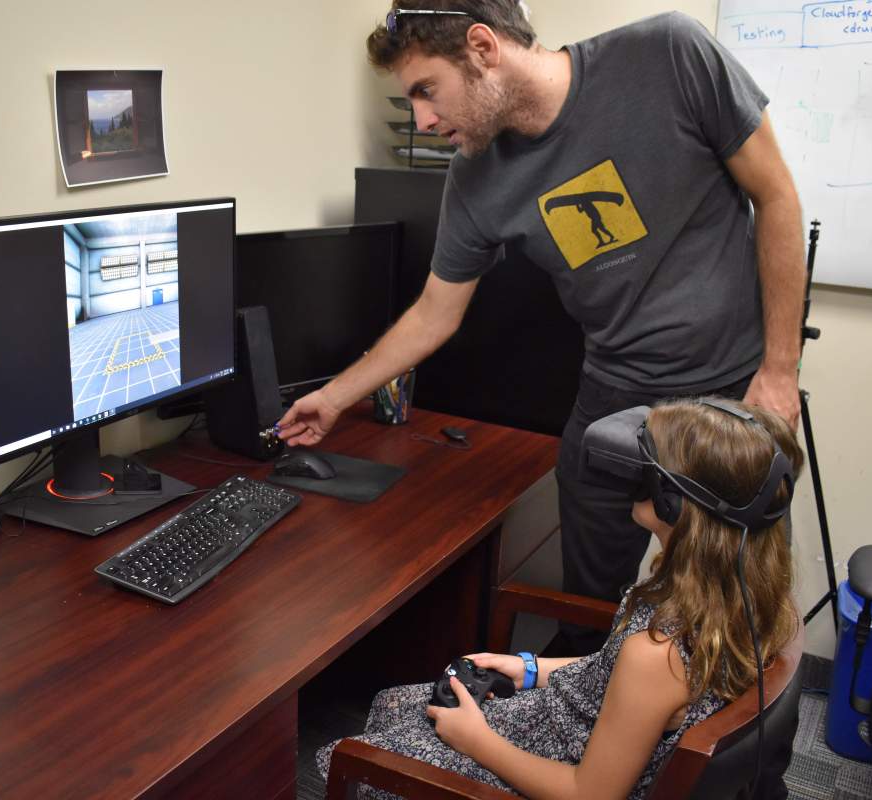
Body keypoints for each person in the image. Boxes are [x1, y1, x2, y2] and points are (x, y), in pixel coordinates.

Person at [279, 1, 806, 654]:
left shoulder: (668, 54)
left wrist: (780, 371)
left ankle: (695, 748)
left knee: (728, 618)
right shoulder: (475, 181)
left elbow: (777, 194)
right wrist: (333, 397)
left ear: (482, 47)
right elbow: (434, 314)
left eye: (425, 91)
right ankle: (580, 723)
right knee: (583, 613)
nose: (422, 119)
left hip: (726, 386)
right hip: (612, 391)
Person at [315, 397, 805, 799]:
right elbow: (626, 681)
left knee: (351, 760)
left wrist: (477, 741)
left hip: (569, 764)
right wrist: (532, 667)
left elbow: (588, 795)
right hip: (582, 723)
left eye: (645, 464)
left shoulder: (658, 655)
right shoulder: (746, 600)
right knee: (393, 706)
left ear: (673, 502)